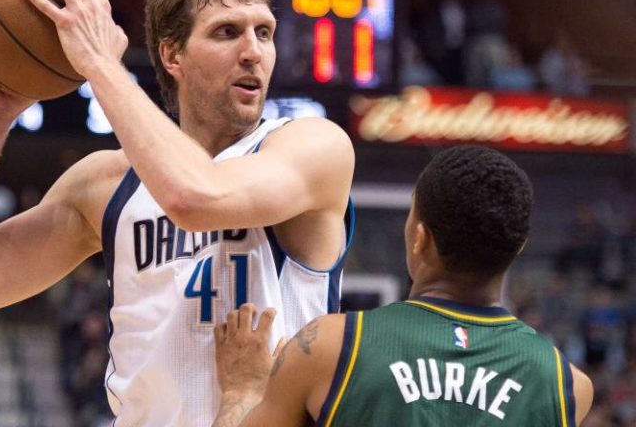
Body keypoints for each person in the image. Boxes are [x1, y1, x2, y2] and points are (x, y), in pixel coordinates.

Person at [0, 0, 354, 427]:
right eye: (227, 32)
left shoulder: (312, 147)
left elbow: (195, 196)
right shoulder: (107, 183)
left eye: (263, 32)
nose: (253, 52)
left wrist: (100, 63)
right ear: (172, 56)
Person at [213, 145, 594, 426]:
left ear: (420, 237)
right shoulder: (567, 388)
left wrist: (242, 390)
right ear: (519, 247)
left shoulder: (332, 347)